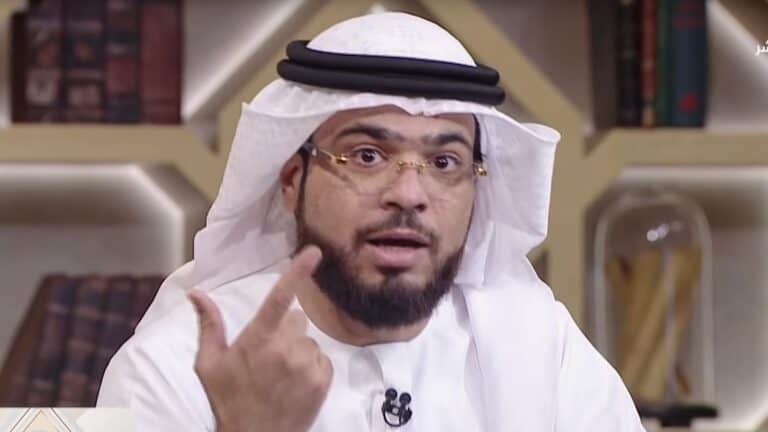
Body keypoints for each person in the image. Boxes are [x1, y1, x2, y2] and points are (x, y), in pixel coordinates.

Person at [97, 12, 645, 431]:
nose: (408, 195)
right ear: (291, 181)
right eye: (366, 156)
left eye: (444, 163)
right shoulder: (177, 366)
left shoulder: (540, 349)